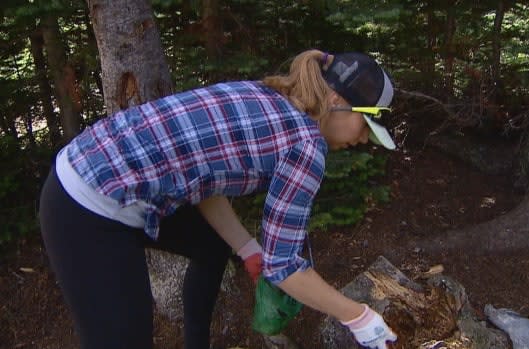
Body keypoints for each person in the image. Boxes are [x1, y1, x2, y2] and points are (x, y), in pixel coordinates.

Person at [39, 49, 398, 349]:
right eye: (367, 125)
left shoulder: (271, 94)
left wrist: (247, 248)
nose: (366, 139)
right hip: (87, 206)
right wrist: (358, 316)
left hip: (96, 173)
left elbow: (204, 181)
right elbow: (284, 266)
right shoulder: (305, 145)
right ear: (336, 100)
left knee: (212, 246)